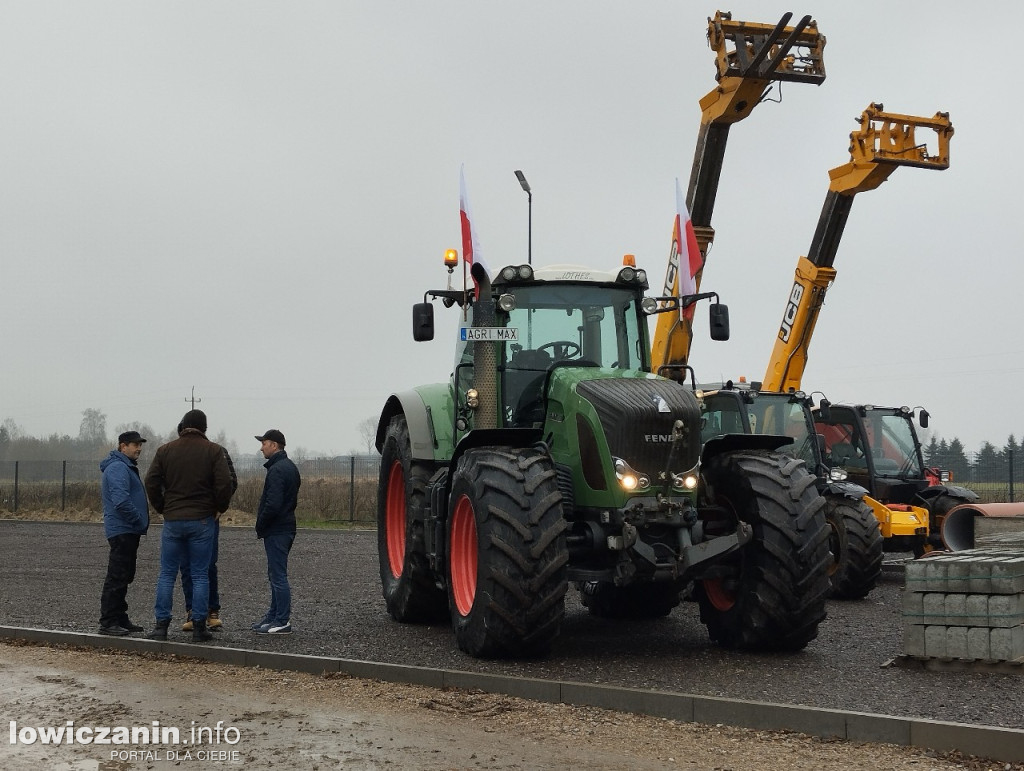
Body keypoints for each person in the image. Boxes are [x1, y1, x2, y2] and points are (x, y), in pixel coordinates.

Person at [144, 409, 234, 642]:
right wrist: (218, 508)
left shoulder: (165, 450)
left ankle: (161, 625)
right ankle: (199, 626)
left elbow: (151, 481)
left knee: (167, 574)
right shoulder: (213, 451)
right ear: (204, 427)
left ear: (183, 426)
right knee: (200, 574)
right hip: (202, 519)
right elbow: (225, 483)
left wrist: (163, 507)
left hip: (173, 520)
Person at [180, 425, 238, 632]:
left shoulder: (217, 451)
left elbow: (230, 481)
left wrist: (219, 507)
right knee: (188, 565)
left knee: (206, 564)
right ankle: (193, 611)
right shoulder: (176, 452)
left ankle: (211, 611)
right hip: (185, 516)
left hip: (206, 517)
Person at [98, 431, 150, 636]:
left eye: (139, 445)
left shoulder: (123, 466)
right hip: (123, 529)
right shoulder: (119, 467)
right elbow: (121, 500)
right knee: (118, 575)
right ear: (122, 446)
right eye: (134, 445)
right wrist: (138, 520)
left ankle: (119, 617)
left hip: (127, 529)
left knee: (124, 574)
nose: (138, 448)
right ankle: (109, 620)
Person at [253, 429, 300, 635]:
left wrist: (261, 523)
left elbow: (273, 504)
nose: (261, 447)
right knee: (274, 574)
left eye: (264, 443)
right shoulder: (289, 467)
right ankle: (273, 616)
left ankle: (282, 620)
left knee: (278, 576)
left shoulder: (277, 470)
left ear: (274, 445)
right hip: (285, 527)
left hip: (277, 529)